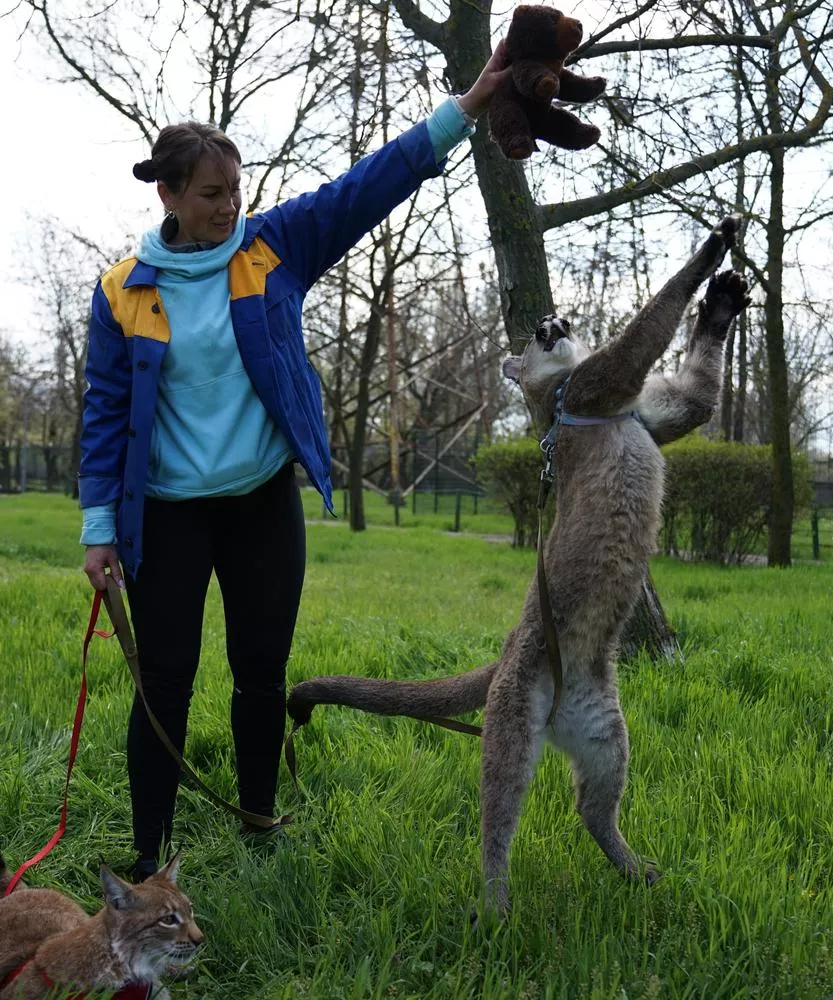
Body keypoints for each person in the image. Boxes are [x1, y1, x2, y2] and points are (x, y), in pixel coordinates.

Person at [78, 45, 511, 881]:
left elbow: (370, 185)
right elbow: (104, 413)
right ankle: (148, 850)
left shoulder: (272, 247)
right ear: (166, 195)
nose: (229, 206)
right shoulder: (121, 288)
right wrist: (99, 528)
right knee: (163, 679)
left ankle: (256, 820)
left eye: (236, 190)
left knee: (260, 673)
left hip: (260, 503)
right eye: (210, 194)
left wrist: (468, 106)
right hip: (166, 514)